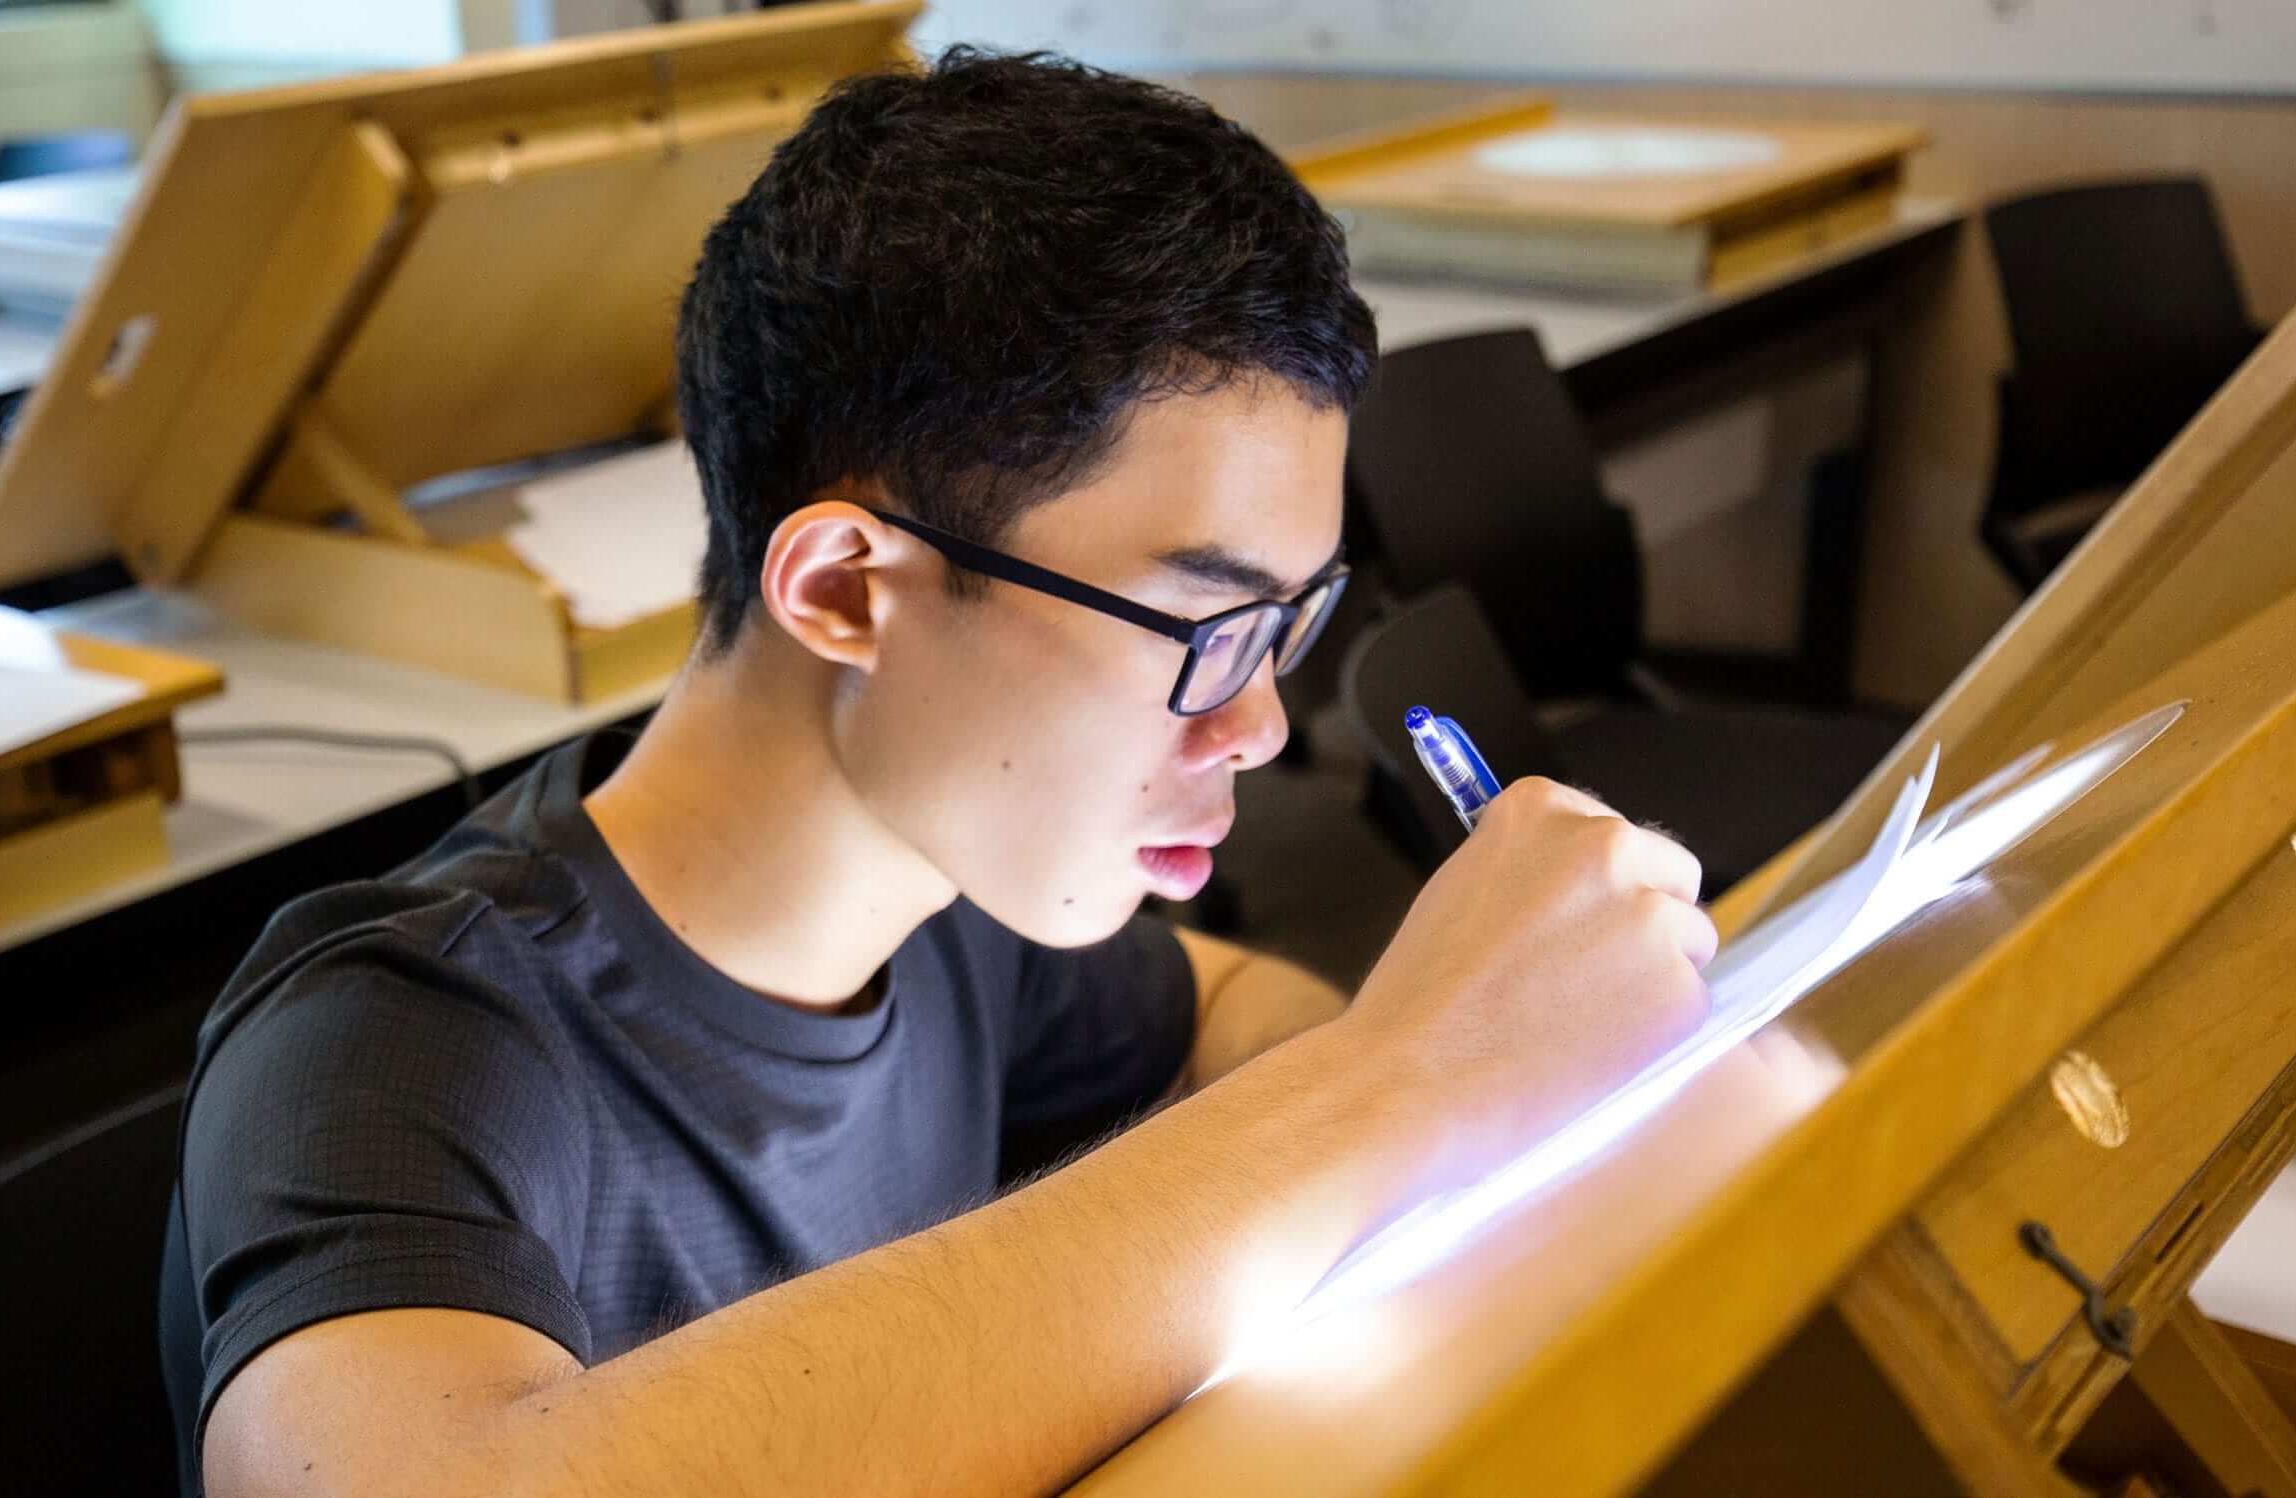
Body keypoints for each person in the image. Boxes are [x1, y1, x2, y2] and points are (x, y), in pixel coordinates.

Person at [166, 47, 1715, 1498]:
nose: (1257, 727)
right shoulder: (393, 1039)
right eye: (1204, 625)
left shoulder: (955, 912)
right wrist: (1403, 1078)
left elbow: (1241, 1012)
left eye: (1291, 623)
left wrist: (1391, 1084)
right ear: (844, 586)